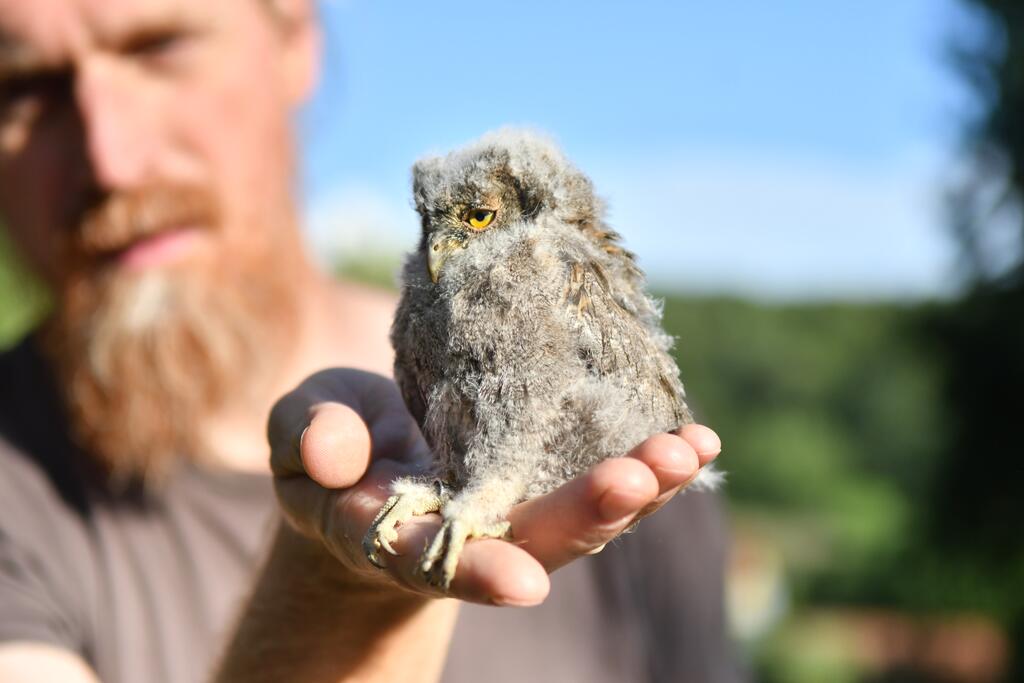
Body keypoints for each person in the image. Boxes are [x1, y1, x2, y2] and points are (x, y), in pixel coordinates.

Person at [0, 0, 738, 681]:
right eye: (25, 85)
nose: (112, 157)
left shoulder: (621, 420)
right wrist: (334, 598)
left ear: (294, 39)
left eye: (161, 45)